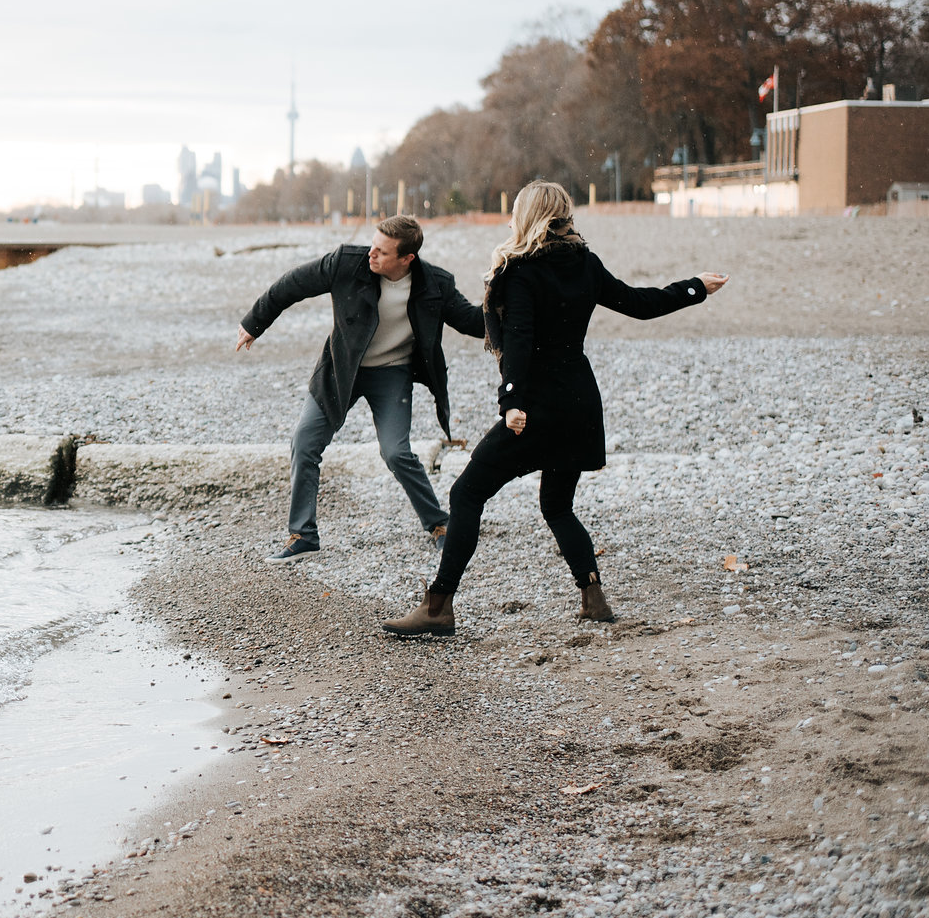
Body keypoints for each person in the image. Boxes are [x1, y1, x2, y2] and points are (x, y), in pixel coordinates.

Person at [382, 181, 728, 636]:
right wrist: (692, 288)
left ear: (526, 215)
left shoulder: (520, 270)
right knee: (557, 505)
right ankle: (594, 598)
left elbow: (521, 340)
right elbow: (639, 303)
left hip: (536, 406)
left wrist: (512, 401)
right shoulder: (583, 263)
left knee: (466, 494)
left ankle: (437, 608)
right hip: (580, 404)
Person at [235, 214, 485, 563]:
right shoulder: (347, 263)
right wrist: (254, 323)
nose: (372, 254)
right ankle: (302, 536)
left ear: (407, 259)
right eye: (373, 245)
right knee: (305, 442)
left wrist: (509, 303)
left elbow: (473, 321)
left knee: (396, 453)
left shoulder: (435, 285)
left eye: (382, 252)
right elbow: (292, 285)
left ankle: (440, 524)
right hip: (342, 370)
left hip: (392, 374)